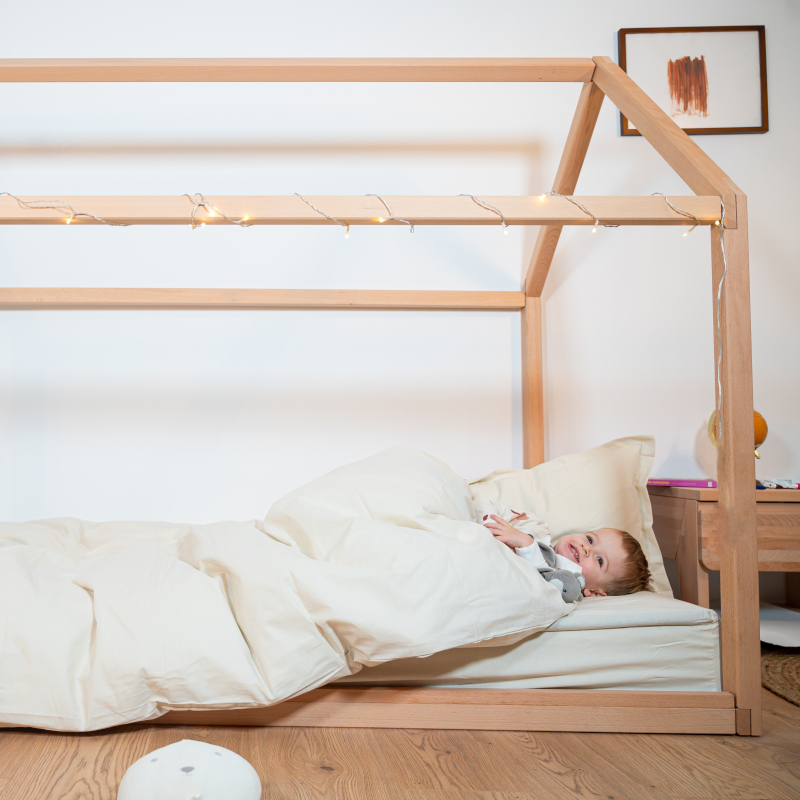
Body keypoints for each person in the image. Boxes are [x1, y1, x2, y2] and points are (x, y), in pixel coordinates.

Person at [481, 511, 652, 598]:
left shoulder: (565, 589)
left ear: (594, 593)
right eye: (591, 540)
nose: (587, 548)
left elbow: (541, 591)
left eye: (600, 560)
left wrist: (527, 545)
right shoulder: (538, 530)